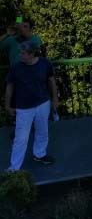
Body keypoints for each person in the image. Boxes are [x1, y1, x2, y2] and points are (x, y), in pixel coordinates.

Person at [5, 41, 59, 171]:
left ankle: (39, 154)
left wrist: (55, 99)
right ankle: (14, 168)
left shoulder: (44, 64)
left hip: (43, 103)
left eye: (23, 53)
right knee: (21, 138)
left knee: (42, 131)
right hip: (23, 108)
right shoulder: (16, 67)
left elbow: (51, 81)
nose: (20, 56)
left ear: (31, 54)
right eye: (20, 53)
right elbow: (9, 86)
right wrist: (7, 105)